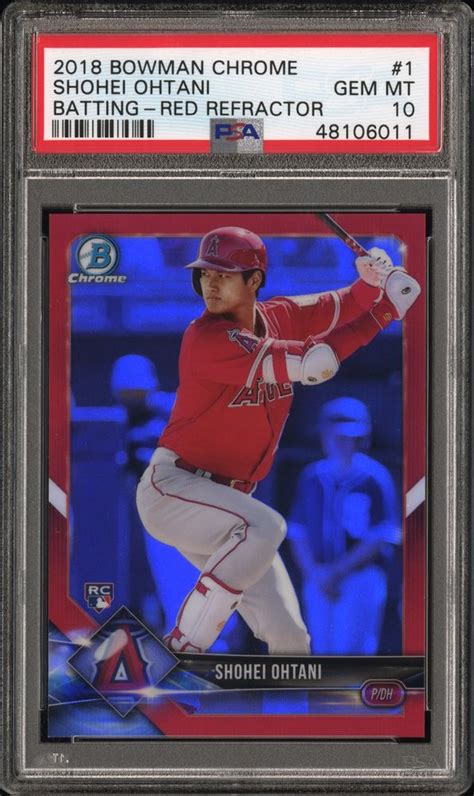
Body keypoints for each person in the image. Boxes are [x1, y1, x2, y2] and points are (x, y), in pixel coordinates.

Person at [136, 226, 420, 654]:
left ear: (254, 279)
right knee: (268, 525)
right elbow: (316, 364)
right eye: (205, 273)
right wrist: (385, 313)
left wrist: (372, 281)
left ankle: (287, 700)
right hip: (176, 489)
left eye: (223, 274)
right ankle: (186, 643)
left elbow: (345, 303)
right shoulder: (205, 337)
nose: (210, 283)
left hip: (231, 509)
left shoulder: (280, 315)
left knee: (291, 638)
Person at [288, 397, 401, 655]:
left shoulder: (374, 477)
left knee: (351, 652)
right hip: (318, 575)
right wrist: (315, 573)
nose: (343, 443)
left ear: (362, 439)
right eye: (336, 436)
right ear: (324, 436)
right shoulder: (312, 476)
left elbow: (380, 535)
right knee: (320, 649)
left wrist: (337, 572)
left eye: (351, 437)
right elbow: (297, 532)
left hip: (359, 577)